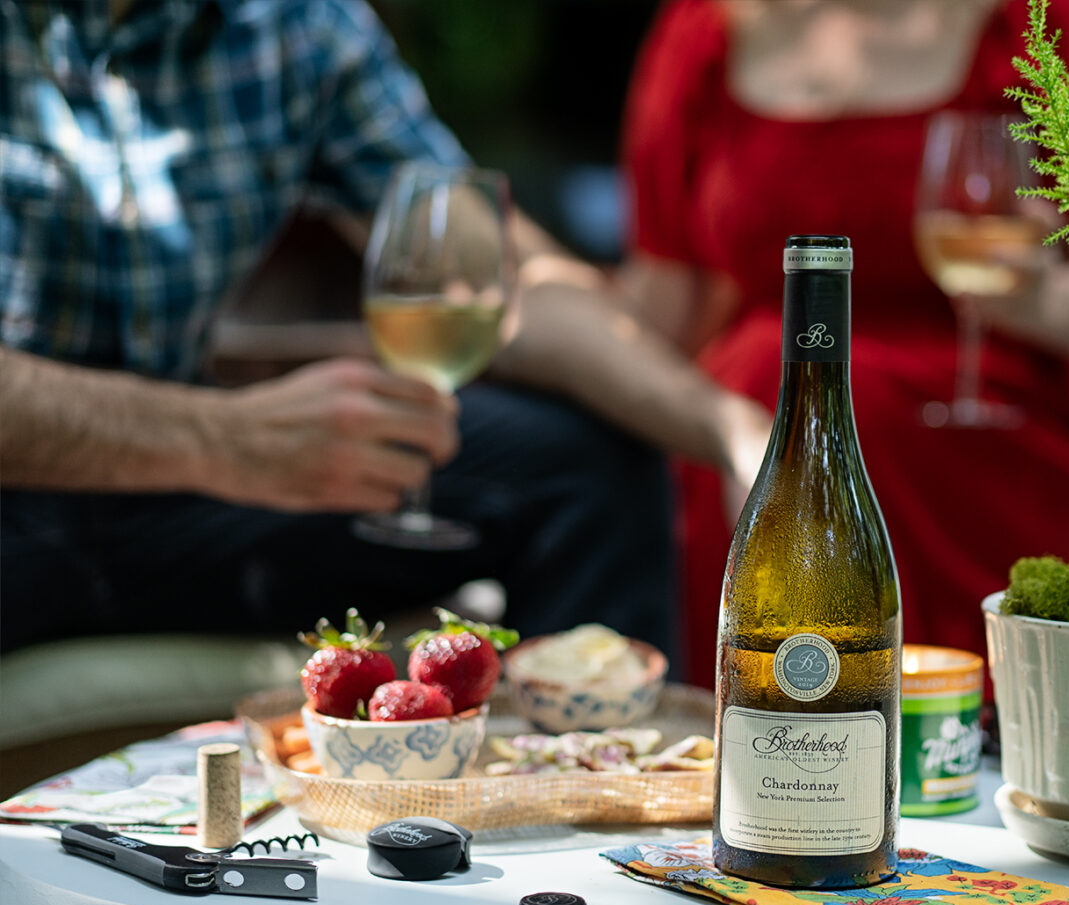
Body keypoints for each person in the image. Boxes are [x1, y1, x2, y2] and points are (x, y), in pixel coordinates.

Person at [0, 0, 772, 660]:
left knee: (586, 465)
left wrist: (728, 428)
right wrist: (221, 437)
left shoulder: (295, 25)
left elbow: (501, 279)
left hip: (176, 503)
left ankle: (584, 793)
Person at [617, 0, 1069, 687]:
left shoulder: (1042, 23)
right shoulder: (700, 34)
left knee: (837, 406)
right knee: (769, 405)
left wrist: (1044, 302)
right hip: (750, 420)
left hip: (974, 418)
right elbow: (666, 297)